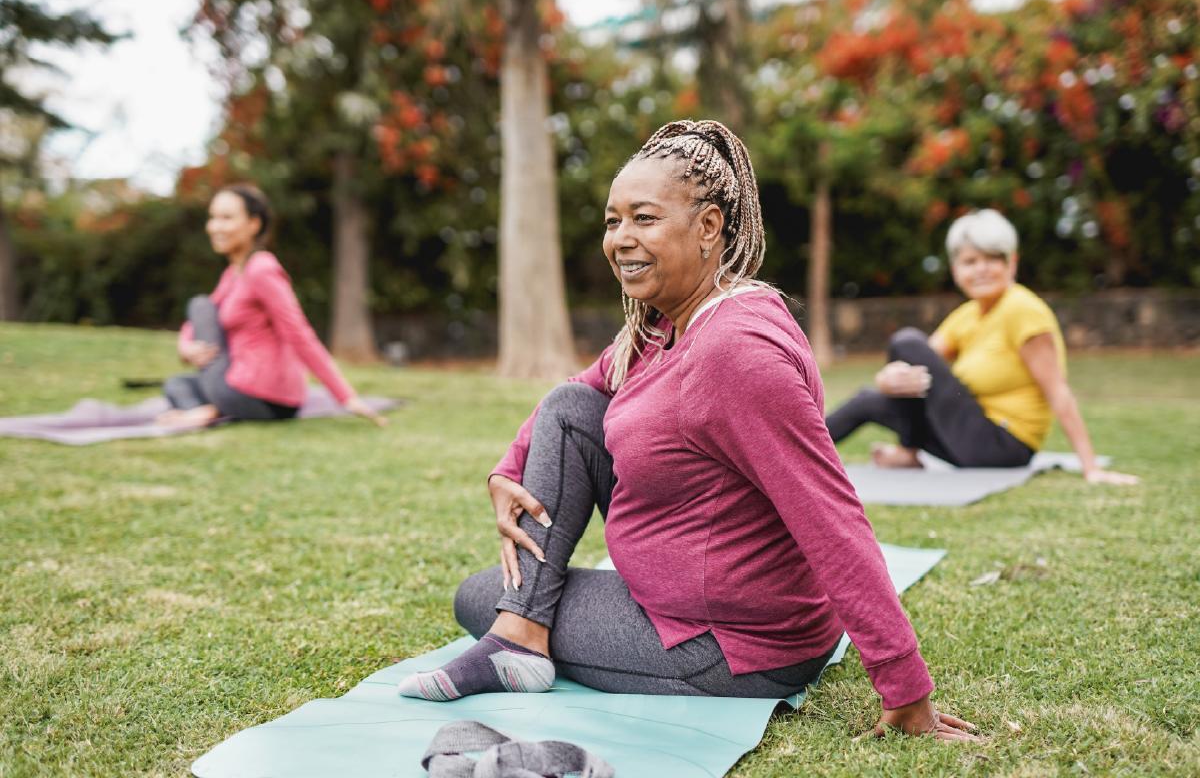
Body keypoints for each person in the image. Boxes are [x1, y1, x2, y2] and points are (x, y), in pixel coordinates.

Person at [399, 121, 979, 742]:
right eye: (611, 221)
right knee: (569, 410)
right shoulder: (662, 325)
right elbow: (579, 392)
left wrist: (906, 688)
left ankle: (518, 635)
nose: (621, 239)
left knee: (477, 595)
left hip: (732, 644)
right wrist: (506, 469)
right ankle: (520, 633)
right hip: (683, 604)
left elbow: (830, 516)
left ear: (708, 227)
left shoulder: (735, 351)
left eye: (644, 218)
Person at [826, 209, 1137, 485]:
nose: (981, 270)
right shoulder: (967, 315)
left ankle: (907, 451)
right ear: (956, 269)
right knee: (869, 399)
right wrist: (887, 379)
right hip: (966, 436)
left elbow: (1058, 390)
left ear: (1012, 262)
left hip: (1003, 444)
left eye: (992, 259)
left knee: (905, 339)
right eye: (970, 261)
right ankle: (789, 461)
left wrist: (1091, 468)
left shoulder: (1022, 310)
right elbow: (917, 363)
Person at [160, 184, 384, 427]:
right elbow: (193, 325)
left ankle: (207, 410)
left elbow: (299, 334)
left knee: (199, 304)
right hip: (243, 390)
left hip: (259, 394)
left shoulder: (261, 268)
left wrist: (346, 396)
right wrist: (185, 347)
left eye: (226, 218)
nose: (215, 227)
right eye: (213, 218)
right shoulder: (233, 274)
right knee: (176, 384)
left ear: (254, 224)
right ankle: (208, 410)